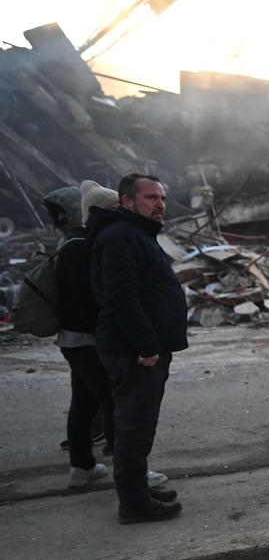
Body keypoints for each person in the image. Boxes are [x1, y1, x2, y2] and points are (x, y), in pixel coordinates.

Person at [91, 174, 186, 523]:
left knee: (138, 423)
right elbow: (122, 296)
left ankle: (137, 488)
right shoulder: (120, 236)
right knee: (134, 425)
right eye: (150, 197)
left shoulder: (134, 233)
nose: (159, 204)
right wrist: (146, 345)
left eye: (162, 197)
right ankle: (133, 502)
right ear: (127, 201)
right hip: (134, 351)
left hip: (142, 347)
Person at [47, 183, 117, 488]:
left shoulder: (70, 244)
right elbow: (89, 300)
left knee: (85, 403)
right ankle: (129, 473)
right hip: (88, 340)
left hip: (74, 340)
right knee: (115, 402)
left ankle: (82, 467)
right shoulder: (81, 247)